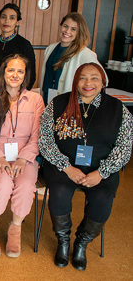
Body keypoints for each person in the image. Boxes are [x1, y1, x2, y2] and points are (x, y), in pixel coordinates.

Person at [38, 62, 132, 270]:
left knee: (102, 199)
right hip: (62, 167)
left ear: (103, 82)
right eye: (83, 78)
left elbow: (124, 148)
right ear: (75, 81)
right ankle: (63, 241)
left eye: (94, 78)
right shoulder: (58, 104)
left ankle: (81, 243)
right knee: (59, 193)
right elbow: (45, 141)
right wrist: (67, 168)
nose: (88, 83)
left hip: (100, 171)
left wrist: (101, 172)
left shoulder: (118, 109)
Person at [0, 54, 44, 257]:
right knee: (4, 183)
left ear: (25, 76)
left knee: (25, 186)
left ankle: (15, 228)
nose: (15, 75)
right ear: (3, 73)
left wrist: (24, 158)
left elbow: (38, 135)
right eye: (10, 70)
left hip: (25, 158)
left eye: (20, 71)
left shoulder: (35, 100)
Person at [40, 12, 104, 104]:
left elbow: (102, 78)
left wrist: (84, 95)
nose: (67, 31)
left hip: (69, 101)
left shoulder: (84, 53)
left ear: (79, 32)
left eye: (73, 29)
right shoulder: (51, 48)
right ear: (61, 26)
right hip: (48, 97)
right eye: (65, 26)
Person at [0, 4, 36, 91]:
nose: (6, 21)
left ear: (18, 22)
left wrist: (22, 92)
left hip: (15, 90)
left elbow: (31, 74)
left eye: (12, 18)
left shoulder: (24, 44)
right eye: (3, 17)